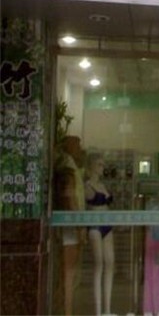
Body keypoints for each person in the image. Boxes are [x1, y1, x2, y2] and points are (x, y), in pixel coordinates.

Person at [54, 135, 86, 316]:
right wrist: (79, 226)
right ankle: (67, 312)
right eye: (77, 145)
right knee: (69, 274)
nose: (80, 149)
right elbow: (71, 198)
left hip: (69, 227)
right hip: (70, 228)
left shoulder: (70, 168)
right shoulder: (68, 170)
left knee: (68, 275)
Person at [84, 153, 115, 316]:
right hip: (95, 225)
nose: (103, 168)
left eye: (103, 164)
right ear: (93, 166)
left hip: (107, 225)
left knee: (110, 264)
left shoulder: (102, 185)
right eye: (100, 165)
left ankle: (107, 310)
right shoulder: (87, 186)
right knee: (99, 265)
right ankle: (97, 311)